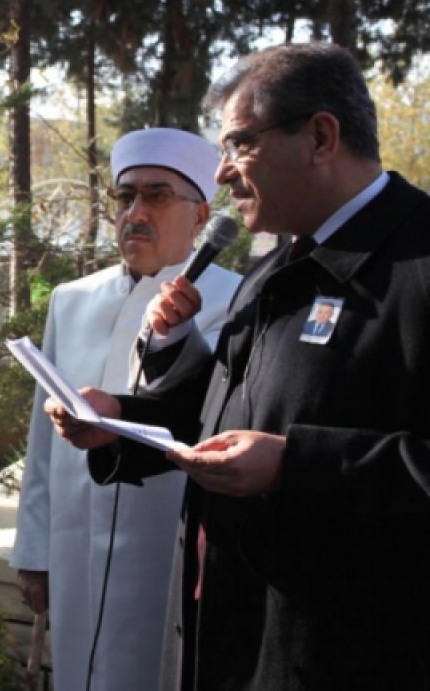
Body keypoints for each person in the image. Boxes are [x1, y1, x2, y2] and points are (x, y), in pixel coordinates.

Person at [47, 43, 430, 690]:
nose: (222, 174)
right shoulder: (273, 271)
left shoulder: (418, 266)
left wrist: (292, 464)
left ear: (320, 136)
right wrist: (122, 421)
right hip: (237, 645)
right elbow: (222, 414)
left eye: (239, 146)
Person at [11, 128, 242, 691]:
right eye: (125, 196)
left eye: (157, 196)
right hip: (72, 546)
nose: (135, 212)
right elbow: (43, 444)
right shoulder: (72, 300)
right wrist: (34, 550)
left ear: (200, 215)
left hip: (167, 557)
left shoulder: (238, 301)